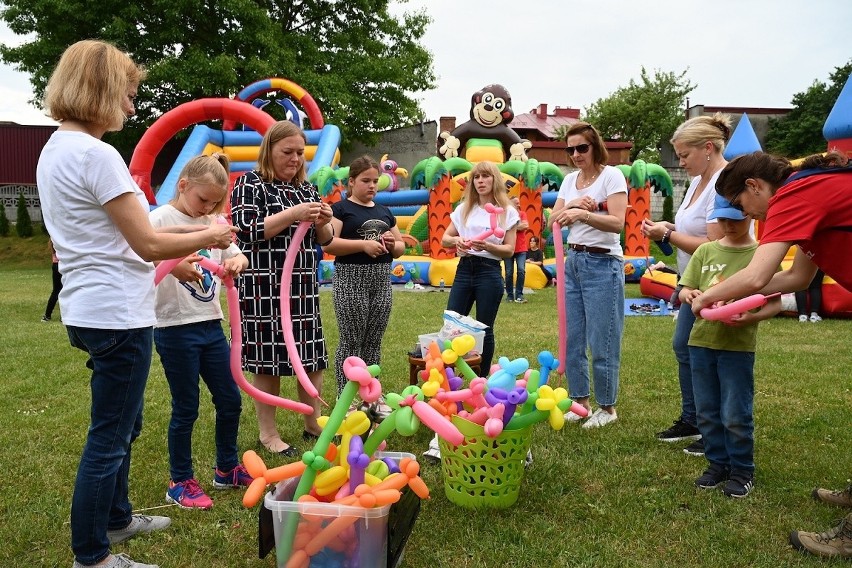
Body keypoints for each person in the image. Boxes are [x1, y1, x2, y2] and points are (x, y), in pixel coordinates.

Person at [37, 40, 237, 568]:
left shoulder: (55, 149)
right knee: (109, 435)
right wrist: (209, 236)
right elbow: (147, 243)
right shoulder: (96, 154)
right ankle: (94, 556)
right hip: (115, 313)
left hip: (88, 308)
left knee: (126, 424)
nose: (130, 107)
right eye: (126, 94)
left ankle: (118, 517)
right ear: (101, 90)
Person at [691, 150, 852, 557]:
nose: (751, 214)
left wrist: (708, 297)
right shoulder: (806, 196)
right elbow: (796, 276)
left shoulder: (793, 196)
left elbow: (758, 274)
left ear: (755, 187)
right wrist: (745, 298)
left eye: (744, 206)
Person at [149, 154, 252, 510]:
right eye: (201, 199)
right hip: (175, 327)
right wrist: (174, 264)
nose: (206, 208)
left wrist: (237, 261)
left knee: (230, 400)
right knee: (186, 406)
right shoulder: (160, 219)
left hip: (210, 324)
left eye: (214, 203)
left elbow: (236, 254)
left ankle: (226, 469)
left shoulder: (212, 221)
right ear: (183, 185)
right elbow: (141, 254)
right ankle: (180, 481)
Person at [230, 120, 334, 457]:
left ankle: (313, 423)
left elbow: (326, 240)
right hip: (262, 286)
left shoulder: (306, 189)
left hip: (302, 287)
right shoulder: (250, 183)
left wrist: (323, 222)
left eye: (300, 153)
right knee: (267, 361)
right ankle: (268, 433)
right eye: (286, 152)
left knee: (312, 356)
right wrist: (294, 214)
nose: (294, 159)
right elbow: (247, 230)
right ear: (269, 151)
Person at [678, 194, 781, 498]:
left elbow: (774, 303)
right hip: (701, 342)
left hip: (737, 348)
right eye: (722, 219)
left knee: (735, 411)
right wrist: (689, 294)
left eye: (735, 219)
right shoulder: (706, 251)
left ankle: (742, 469)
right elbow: (685, 289)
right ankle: (717, 463)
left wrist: (750, 317)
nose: (728, 225)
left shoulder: (761, 254)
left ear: (751, 216)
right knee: (707, 409)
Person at [642, 113, 731, 455]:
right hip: (690, 279)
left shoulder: (723, 182)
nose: (680, 162)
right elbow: (691, 232)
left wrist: (667, 233)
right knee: (686, 348)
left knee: (703, 353)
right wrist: (668, 229)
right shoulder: (697, 181)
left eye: (684, 155)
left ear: (708, 148)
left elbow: (716, 244)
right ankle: (695, 420)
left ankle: (712, 428)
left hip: (715, 282)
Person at [422, 160, 519, 463]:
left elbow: (510, 249)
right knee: (451, 328)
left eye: (485, 176)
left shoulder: (507, 212)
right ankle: (448, 384)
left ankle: (480, 388)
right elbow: (445, 238)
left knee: (483, 328)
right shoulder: (463, 209)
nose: (480, 181)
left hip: (490, 271)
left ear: (495, 180)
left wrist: (486, 245)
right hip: (465, 270)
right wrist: (458, 242)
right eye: (476, 177)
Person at [551, 122, 628, 429]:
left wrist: (583, 214)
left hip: (602, 263)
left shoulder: (612, 176)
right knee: (573, 338)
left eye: (582, 148)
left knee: (602, 339)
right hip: (574, 261)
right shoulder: (570, 181)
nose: (575, 154)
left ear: (595, 146)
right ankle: (580, 401)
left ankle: (607, 408)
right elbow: (552, 220)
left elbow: (618, 222)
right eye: (570, 149)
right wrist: (572, 204)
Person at [323, 156, 404, 415]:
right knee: (351, 342)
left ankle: (371, 399)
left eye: (375, 181)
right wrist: (362, 245)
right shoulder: (341, 209)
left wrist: (392, 244)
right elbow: (329, 244)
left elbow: (401, 248)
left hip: (381, 279)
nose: (372, 185)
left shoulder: (384, 212)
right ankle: (346, 400)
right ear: (351, 181)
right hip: (351, 278)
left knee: (373, 342)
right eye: (365, 180)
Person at [504, 196, 529, 302]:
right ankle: (510, 295)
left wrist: (511, 227)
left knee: (521, 270)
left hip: (521, 248)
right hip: (509, 247)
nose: (518, 205)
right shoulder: (505, 215)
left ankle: (519, 294)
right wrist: (517, 226)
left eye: (519, 203)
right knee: (509, 272)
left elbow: (525, 226)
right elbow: (503, 228)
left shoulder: (522, 214)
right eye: (516, 203)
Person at [42, 237, 62, 322]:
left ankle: (47, 315)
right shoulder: (60, 238)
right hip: (62, 264)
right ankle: (63, 316)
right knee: (64, 290)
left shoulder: (52, 239)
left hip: (55, 265)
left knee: (56, 290)